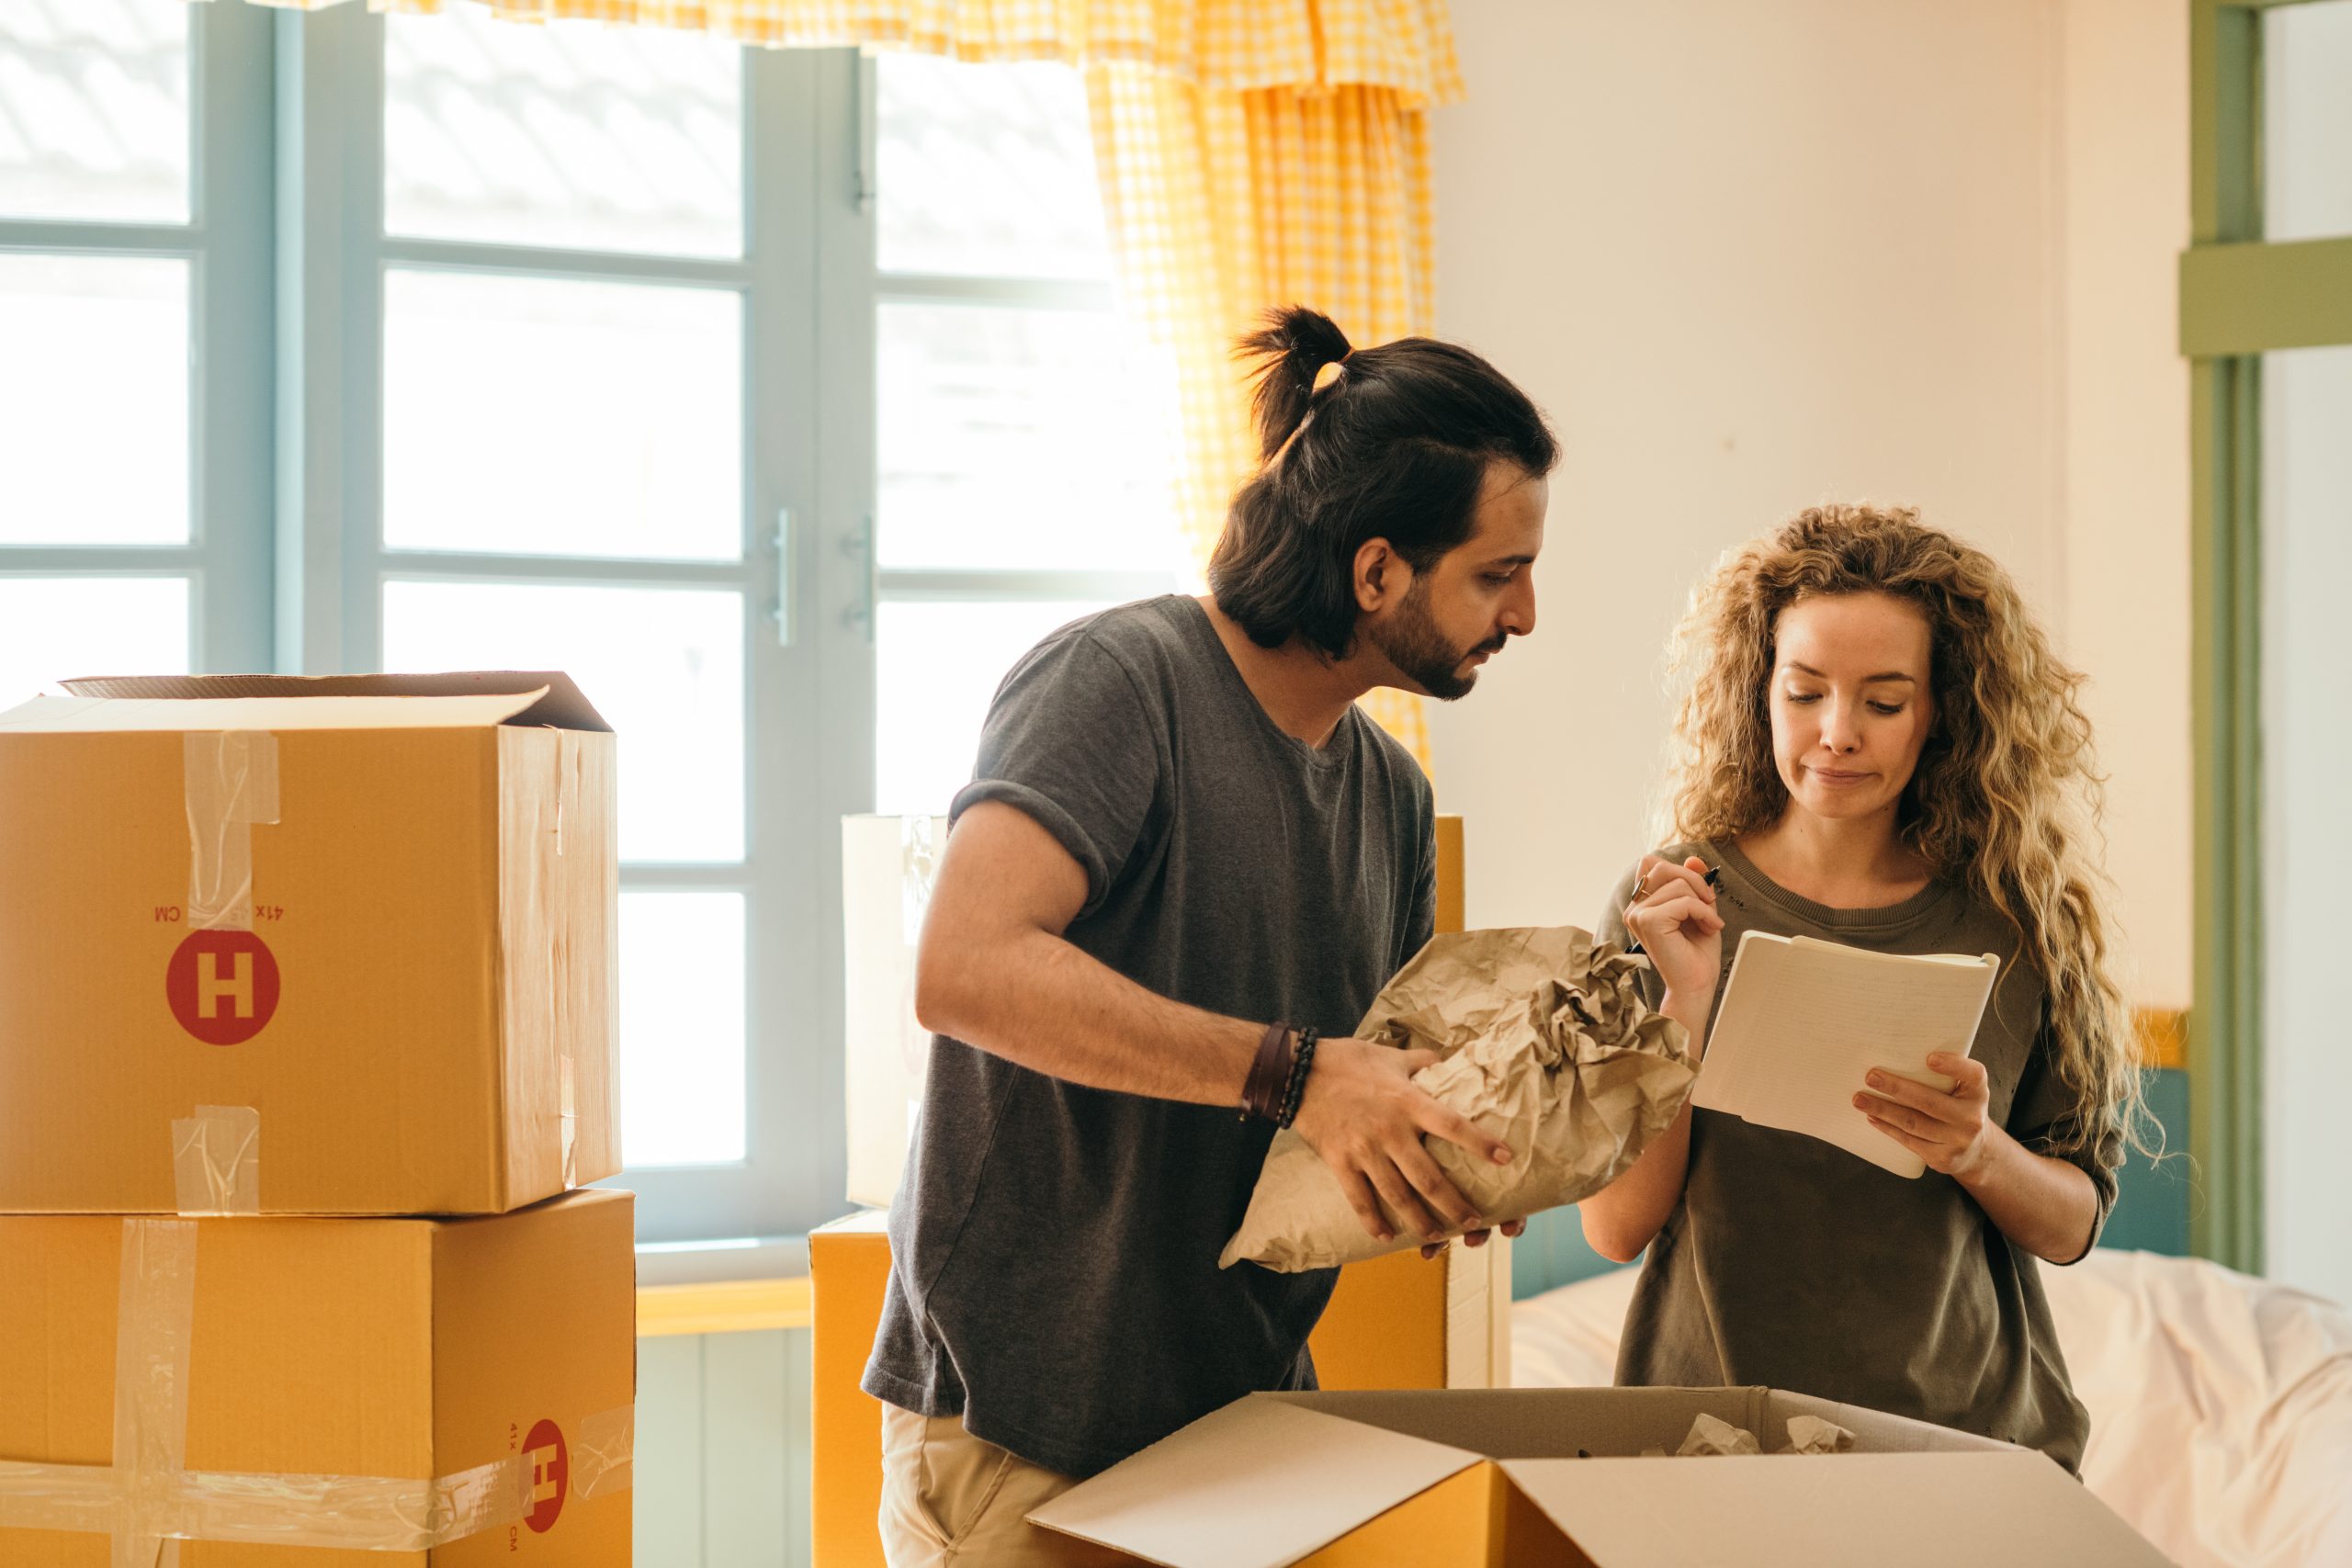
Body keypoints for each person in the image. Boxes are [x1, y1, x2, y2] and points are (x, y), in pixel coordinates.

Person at [865, 305, 1559, 1564]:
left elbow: (1342, 1114)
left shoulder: (1393, 799)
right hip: (1022, 1426)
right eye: (1497, 573)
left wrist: (1450, 1161)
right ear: (1377, 571)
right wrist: (1301, 1073)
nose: (1523, 614)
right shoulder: (1121, 681)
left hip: (1245, 1427)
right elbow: (964, 966)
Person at [1582, 504, 2149, 1472]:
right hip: (1713, 1446)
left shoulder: (2014, 920)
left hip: (1966, 1450)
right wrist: (1684, 1007)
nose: (1835, 734)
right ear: (1758, 689)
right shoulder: (1671, 904)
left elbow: (2072, 1222)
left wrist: (1975, 1151)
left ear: (1942, 713)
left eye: (1882, 703)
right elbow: (1613, 1227)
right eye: (1803, 693)